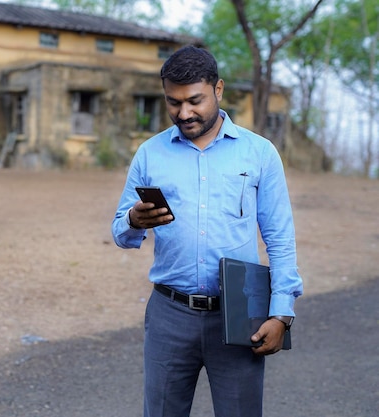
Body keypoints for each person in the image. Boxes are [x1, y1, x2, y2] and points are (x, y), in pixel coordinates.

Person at [111, 45, 303, 417]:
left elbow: (280, 236)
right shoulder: (150, 154)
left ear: (218, 89)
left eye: (194, 100)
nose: (184, 113)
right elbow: (121, 231)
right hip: (169, 314)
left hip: (239, 316)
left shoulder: (259, 153)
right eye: (173, 102)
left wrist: (281, 313)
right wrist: (134, 220)